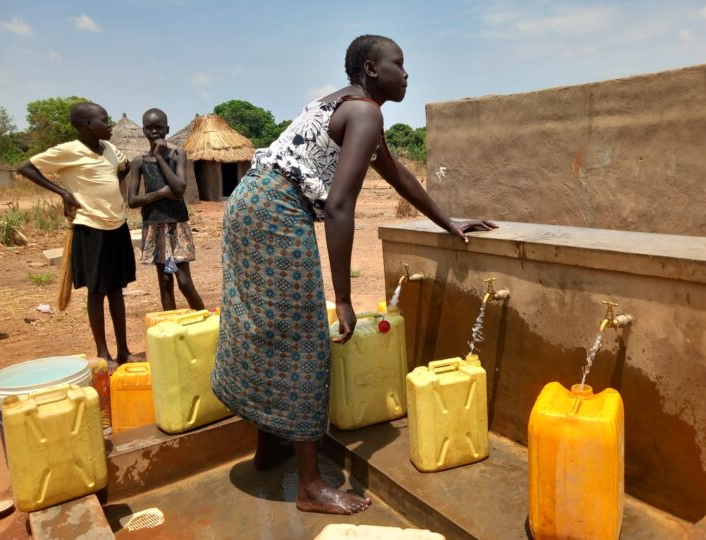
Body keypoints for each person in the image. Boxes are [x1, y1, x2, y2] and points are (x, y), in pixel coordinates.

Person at [211, 35, 496, 515]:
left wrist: (448, 220)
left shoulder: (349, 106)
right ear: (370, 69)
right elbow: (341, 205)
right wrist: (343, 297)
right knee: (304, 336)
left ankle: (269, 446)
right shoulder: (366, 111)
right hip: (277, 211)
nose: (406, 74)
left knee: (270, 327)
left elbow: (396, 174)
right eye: (398, 65)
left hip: (249, 203)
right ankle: (309, 487)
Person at [18, 102, 139, 364]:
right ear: (86, 125)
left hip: (117, 225)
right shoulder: (68, 151)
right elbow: (26, 167)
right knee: (96, 292)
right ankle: (103, 353)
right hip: (90, 227)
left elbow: (124, 167)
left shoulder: (109, 149)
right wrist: (63, 193)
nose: (109, 125)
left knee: (117, 290)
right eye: (104, 120)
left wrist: (109, 192)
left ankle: (123, 350)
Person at [128, 108, 204, 312]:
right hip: (153, 223)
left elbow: (179, 190)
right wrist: (162, 192)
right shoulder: (139, 162)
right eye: (149, 127)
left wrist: (160, 157)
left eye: (159, 127)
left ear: (167, 129)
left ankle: (204, 322)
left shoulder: (177, 154)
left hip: (176, 223)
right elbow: (133, 201)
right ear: (143, 130)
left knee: (184, 282)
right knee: (164, 282)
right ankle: (172, 331)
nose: (154, 131)